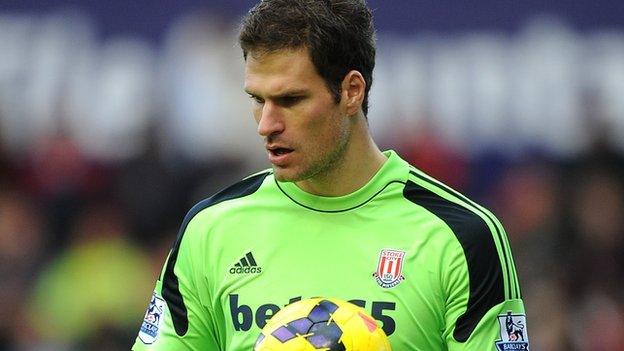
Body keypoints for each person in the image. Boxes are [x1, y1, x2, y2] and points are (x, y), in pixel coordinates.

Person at [132, 0, 529, 350]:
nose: (266, 125)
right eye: (257, 100)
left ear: (351, 91)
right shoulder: (210, 229)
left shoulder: (461, 236)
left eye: (290, 100)